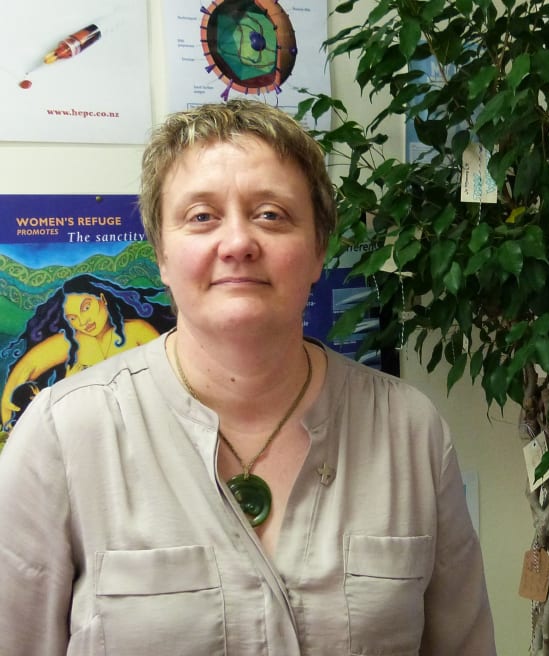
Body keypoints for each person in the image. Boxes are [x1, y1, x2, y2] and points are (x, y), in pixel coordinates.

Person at [0, 100, 495, 654]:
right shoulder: (62, 436)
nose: (237, 243)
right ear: (162, 255)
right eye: (202, 216)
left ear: (317, 251)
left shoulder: (410, 430)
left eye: (270, 214)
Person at [1, 273, 174, 432]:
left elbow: (167, 377)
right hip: (85, 432)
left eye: (86, 308)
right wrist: (8, 414)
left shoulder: (137, 331)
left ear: (103, 299)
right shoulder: (70, 342)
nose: (83, 321)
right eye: (73, 318)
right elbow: (27, 367)